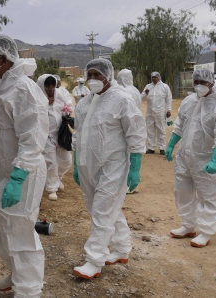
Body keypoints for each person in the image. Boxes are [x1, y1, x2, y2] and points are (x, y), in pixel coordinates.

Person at [0, 33, 49, 297]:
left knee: (20, 234)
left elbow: (33, 138)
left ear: (4, 59)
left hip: (20, 174)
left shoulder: (23, 89)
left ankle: (29, 289)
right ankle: (18, 271)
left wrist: (18, 178)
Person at [71, 58, 146, 279]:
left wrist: (135, 166)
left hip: (114, 165)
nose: (93, 79)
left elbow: (136, 132)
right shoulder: (84, 103)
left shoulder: (121, 100)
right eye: (90, 75)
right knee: (103, 208)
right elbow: (78, 134)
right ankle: (122, 248)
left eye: (97, 75)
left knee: (103, 210)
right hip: (87, 165)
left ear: (108, 76)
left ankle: (94, 260)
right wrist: (76, 163)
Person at [164, 68, 216, 248]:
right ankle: (188, 225)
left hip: (206, 159)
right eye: (197, 82)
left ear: (211, 83)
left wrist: (215, 159)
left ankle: (206, 231)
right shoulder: (189, 101)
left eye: (203, 82)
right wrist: (171, 144)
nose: (200, 86)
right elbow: (180, 125)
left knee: (208, 194)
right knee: (182, 190)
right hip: (185, 157)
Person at [37, 74, 74, 201]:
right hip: (45, 135)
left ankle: (57, 179)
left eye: (53, 88)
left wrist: (67, 113)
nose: (51, 91)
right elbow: (32, 113)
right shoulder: (36, 97)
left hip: (60, 133)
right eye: (48, 89)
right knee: (51, 162)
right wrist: (46, 104)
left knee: (66, 160)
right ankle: (52, 188)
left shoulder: (60, 94)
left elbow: (68, 105)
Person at [141, 71, 172, 154]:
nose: (154, 79)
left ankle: (162, 148)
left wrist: (168, 110)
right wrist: (145, 94)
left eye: (155, 77)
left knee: (161, 130)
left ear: (159, 78)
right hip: (149, 112)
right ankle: (151, 148)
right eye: (152, 77)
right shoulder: (148, 87)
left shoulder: (164, 87)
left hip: (160, 112)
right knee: (150, 130)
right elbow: (142, 99)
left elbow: (168, 99)